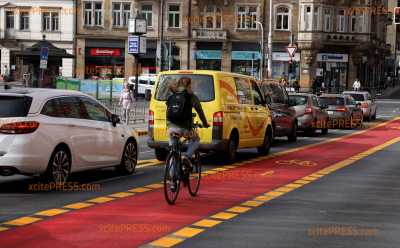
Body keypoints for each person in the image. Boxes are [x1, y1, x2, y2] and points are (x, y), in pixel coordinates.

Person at [166, 77, 209, 163]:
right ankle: (187, 156)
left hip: (170, 128)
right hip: (184, 128)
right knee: (196, 139)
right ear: (189, 85)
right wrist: (205, 123)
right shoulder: (191, 96)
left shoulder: (172, 95)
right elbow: (200, 111)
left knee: (173, 150)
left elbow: (168, 111)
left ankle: (171, 174)